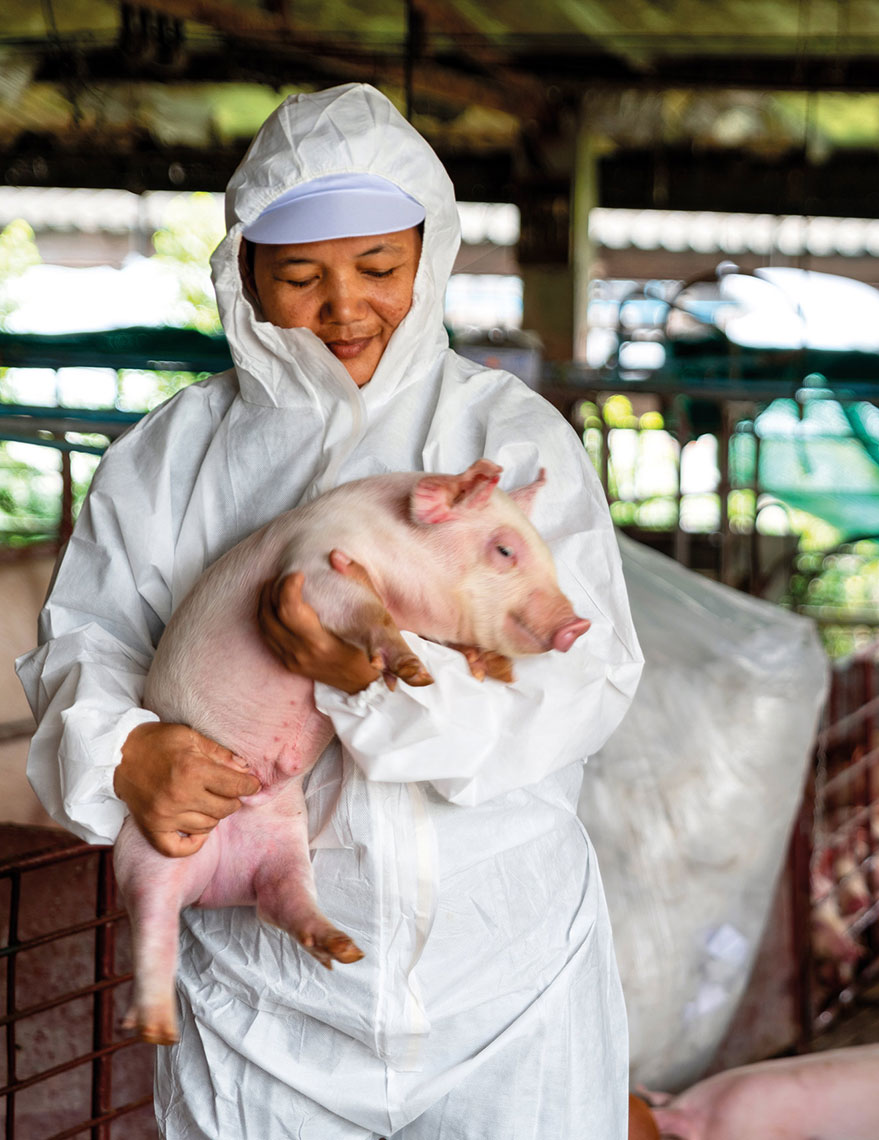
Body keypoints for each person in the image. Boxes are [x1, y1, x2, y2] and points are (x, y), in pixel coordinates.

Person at [17, 82, 643, 1139]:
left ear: (429, 258)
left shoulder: (503, 437)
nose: (344, 307)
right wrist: (125, 754)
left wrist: (383, 690)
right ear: (244, 273)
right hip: (265, 1011)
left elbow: (582, 677)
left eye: (379, 270)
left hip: (502, 983)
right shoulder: (174, 458)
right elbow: (85, 643)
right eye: (301, 276)